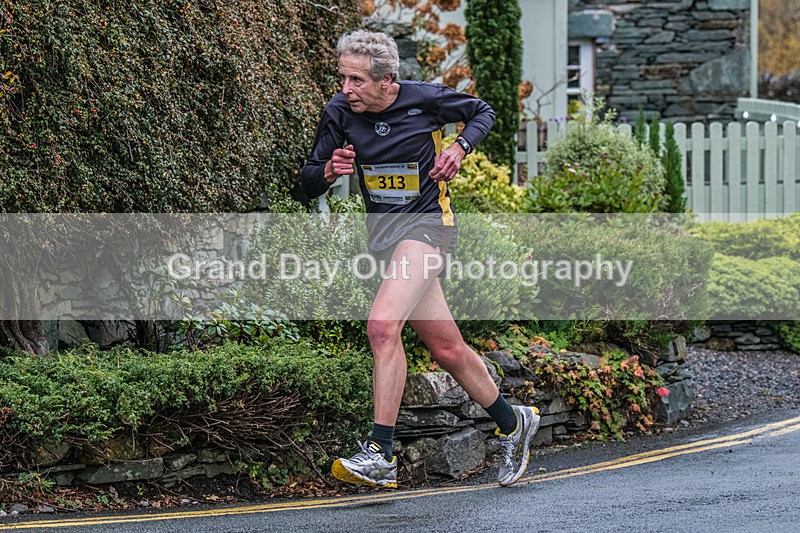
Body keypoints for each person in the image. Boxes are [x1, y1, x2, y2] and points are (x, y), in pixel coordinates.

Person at [301, 30, 540, 488]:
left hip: (430, 228)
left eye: (356, 80)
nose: (346, 89)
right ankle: (515, 423)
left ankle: (381, 453)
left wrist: (458, 147)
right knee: (448, 349)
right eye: (343, 78)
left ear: (387, 79)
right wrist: (329, 170)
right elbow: (308, 179)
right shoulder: (339, 112)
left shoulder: (425, 100)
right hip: (387, 240)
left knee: (382, 325)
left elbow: (482, 112)